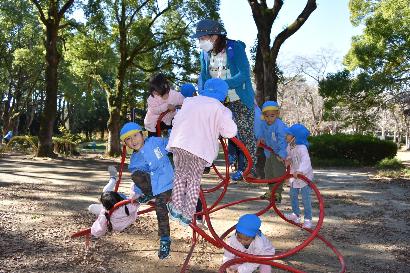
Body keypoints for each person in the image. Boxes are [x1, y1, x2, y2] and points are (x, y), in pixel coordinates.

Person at [166, 78, 237, 226]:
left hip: (180, 144)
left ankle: (176, 209)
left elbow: (176, 120)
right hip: (200, 150)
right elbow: (230, 132)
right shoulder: (221, 109)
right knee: (193, 182)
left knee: (180, 177)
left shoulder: (190, 101)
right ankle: (187, 216)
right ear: (223, 96)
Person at [193, 19, 258, 178]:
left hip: (239, 97)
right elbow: (205, 76)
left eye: (202, 38)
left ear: (214, 36)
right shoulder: (205, 54)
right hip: (218, 100)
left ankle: (249, 167)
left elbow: (243, 74)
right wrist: (205, 91)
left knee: (244, 132)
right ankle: (204, 160)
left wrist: (222, 85)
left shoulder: (235, 48)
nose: (200, 42)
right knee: (207, 127)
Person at [120, 122, 174, 259]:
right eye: (128, 139)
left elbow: (172, 143)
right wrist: (138, 193)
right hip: (153, 187)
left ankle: (164, 239)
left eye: (135, 135)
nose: (133, 140)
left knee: (160, 207)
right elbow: (139, 179)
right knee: (135, 174)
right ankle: (149, 195)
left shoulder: (155, 142)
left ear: (142, 134)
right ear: (126, 143)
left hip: (168, 184)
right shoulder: (134, 160)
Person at [88, 166, 140, 238]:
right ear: (119, 198)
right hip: (127, 217)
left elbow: (100, 226)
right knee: (106, 192)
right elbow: (137, 204)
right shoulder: (127, 207)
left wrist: (95, 234)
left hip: (117, 225)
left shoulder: (105, 213)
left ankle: (113, 178)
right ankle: (113, 179)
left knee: (91, 207)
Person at [256, 101, 288, 203]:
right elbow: (261, 133)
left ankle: (277, 192)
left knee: (278, 172)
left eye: (272, 116)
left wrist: (282, 155)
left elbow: (283, 141)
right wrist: (260, 138)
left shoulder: (279, 125)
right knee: (268, 171)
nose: (269, 118)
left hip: (279, 153)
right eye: (266, 116)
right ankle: (271, 191)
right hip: (269, 153)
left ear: (277, 114)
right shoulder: (264, 124)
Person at [284, 124, 314, 229]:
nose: (286, 135)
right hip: (295, 175)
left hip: (305, 176)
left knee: (305, 198)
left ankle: (308, 219)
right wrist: (288, 160)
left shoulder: (302, 148)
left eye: (288, 134)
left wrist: (300, 171)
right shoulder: (290, 146)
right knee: (292, 194)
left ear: (295, 137)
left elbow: (306, 161)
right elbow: (289, 156)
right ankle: (296, 215)